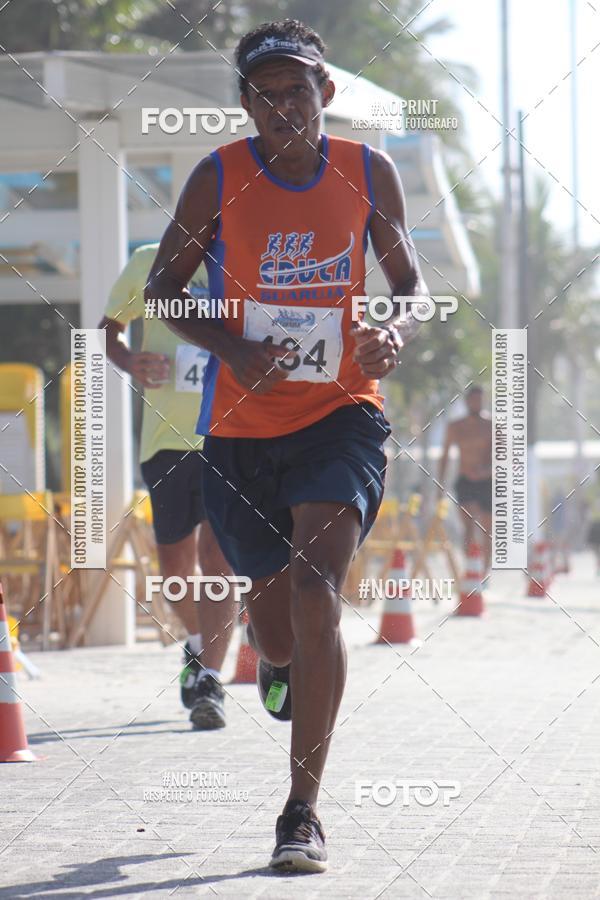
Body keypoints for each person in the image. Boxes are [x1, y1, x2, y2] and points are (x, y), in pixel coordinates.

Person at [147, 18, 426, 872]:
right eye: (264, 96)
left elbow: (409, 284)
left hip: (342, 415)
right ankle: (278, 666)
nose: (283, 108)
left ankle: (301, 812)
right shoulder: (217, 177)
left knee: (316, 589)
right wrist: (231, 347)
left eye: (296, 90)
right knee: (276, 636)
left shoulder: (368, 172)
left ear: (324, 92)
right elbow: (164, 289)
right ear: (245, 104)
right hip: (240, 433)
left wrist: (392, 328)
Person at [100, 243, 236, 730]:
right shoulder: (148, 260)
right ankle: (198, 645)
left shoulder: (240, 255)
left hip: (229, 434)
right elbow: (108, 329)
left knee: (217, 561)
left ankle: (211, 682)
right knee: (175, 573)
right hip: (164, 440)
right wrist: (131, 361)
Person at [438, 385, 493, 571]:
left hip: (486, 482)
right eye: (473, 400)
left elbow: (504, 458)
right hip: (465, 480)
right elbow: (445, 456)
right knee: (468, 527)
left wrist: (486, 471)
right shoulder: (456, 427)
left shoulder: (491, 426)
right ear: (467, 402)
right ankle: (471, 568)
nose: (477, 403)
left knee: (487, 530)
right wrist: (440, 484)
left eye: (480, 400)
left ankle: (484, 573)